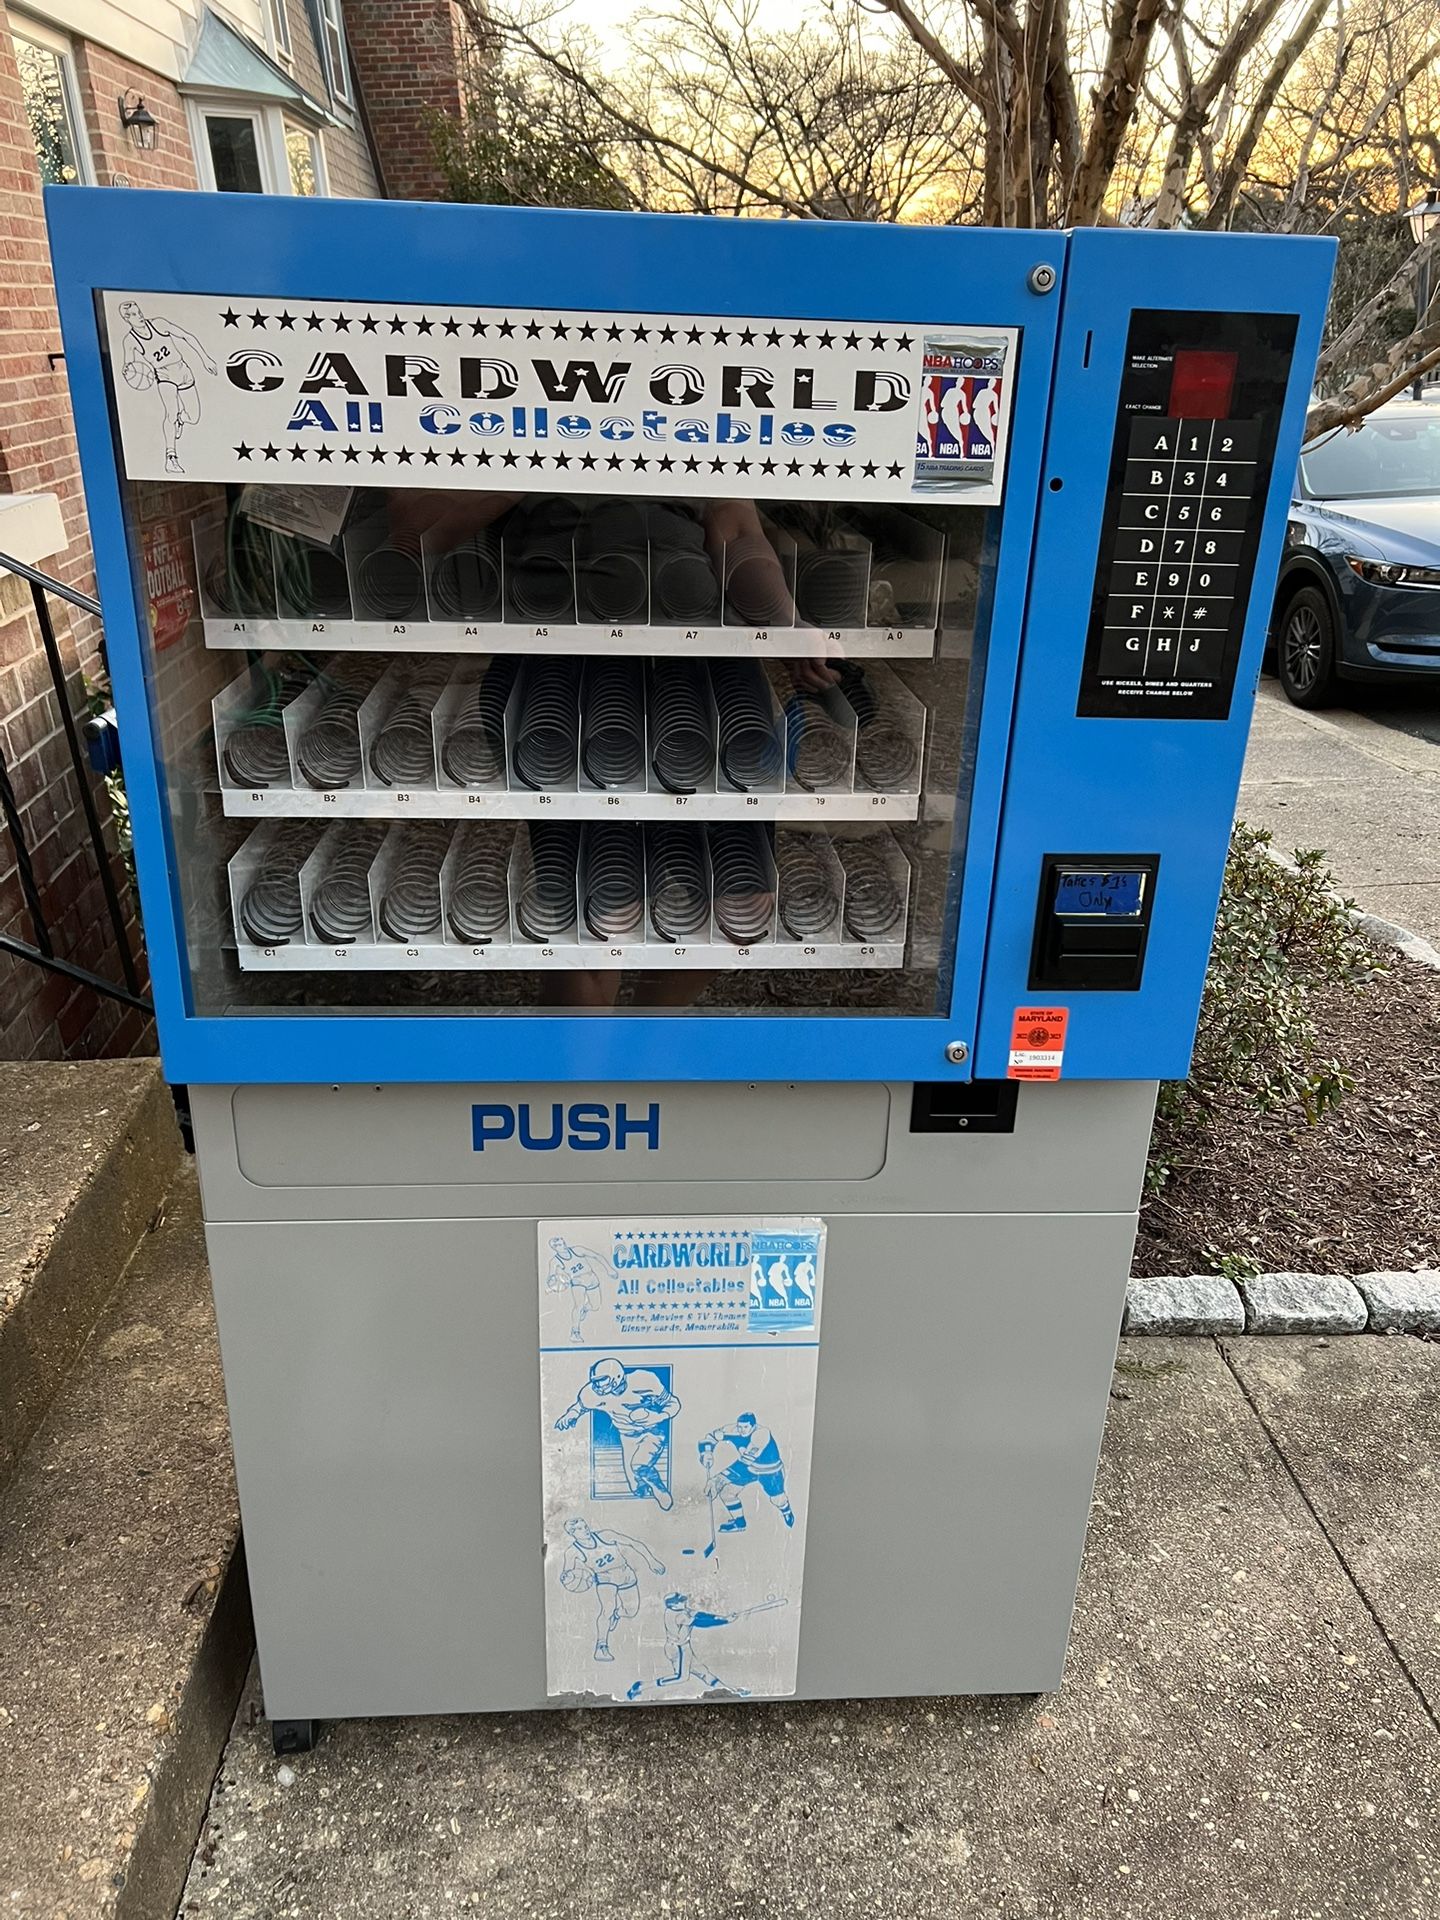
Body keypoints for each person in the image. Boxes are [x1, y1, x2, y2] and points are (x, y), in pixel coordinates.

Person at [555, 1356, 681, 1510]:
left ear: (617, 1378)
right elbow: (580, 1407)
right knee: (635, 1487)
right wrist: (571, 1414)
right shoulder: (591, 1393)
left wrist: (658, 1416)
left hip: (651, 1432)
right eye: (595, 1380)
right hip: (626, 1437)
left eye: (601, 1380)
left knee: (639, 1465)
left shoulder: (645, 1380)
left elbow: (673, 1404)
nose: (597, 1386)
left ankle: (660, 1490)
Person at [118, 300, 216, 474]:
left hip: (182, 369)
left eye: (139, 312)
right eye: (133, 314)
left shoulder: (159, 324)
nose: (139, 316)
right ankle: (171, 458)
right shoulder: (130, 341)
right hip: (164, 376)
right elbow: (129, 366)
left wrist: (205, 359)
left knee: (194, 417)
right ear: (126, 319)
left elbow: (187, 336)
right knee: (170, 412)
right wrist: (128, 372)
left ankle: (181, 419)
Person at [558, 1518, 664, 1662]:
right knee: (606, 1609)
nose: (586, 1529)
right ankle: (601, 1647)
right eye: (581, 1528)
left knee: (630, 1611)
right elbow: (567, 1573)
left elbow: (634, 1543)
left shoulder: (605, 1535)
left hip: (625, 1573)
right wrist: (567, 1578)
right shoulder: (572, 1552)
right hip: (605, 1578)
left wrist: (652, 1561)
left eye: (585, 1526)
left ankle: (617, 1614)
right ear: (572, 1533)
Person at [699, 1412, 795, 1533]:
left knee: (777, 1499)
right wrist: (706, 1453)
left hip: (770, 1471)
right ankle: (739, 1523)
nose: (741, 1430)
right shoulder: (732, 1430)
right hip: (749, 1469)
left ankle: (786, 1510)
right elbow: (710, 1438)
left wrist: (720, 1478)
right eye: (739, 1427)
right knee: (727, 1493)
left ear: (754, 1426)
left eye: (745, 1427)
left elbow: (745, 1461)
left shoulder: (761, 1435)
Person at [545, 1234, 607, 1342]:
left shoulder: (577, 1250)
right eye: (560, 1245)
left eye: (563, 1243)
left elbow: (596, 1256)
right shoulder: (554, 1262)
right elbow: (550, 1278)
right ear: (554, 1248)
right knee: (578, 1305)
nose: (563, 1246)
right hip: (577, 1282)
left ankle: (585, 1309)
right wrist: (556, 1282)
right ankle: (575, 1332)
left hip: (591, 1278)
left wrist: (609, 1269)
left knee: (595, 1306)